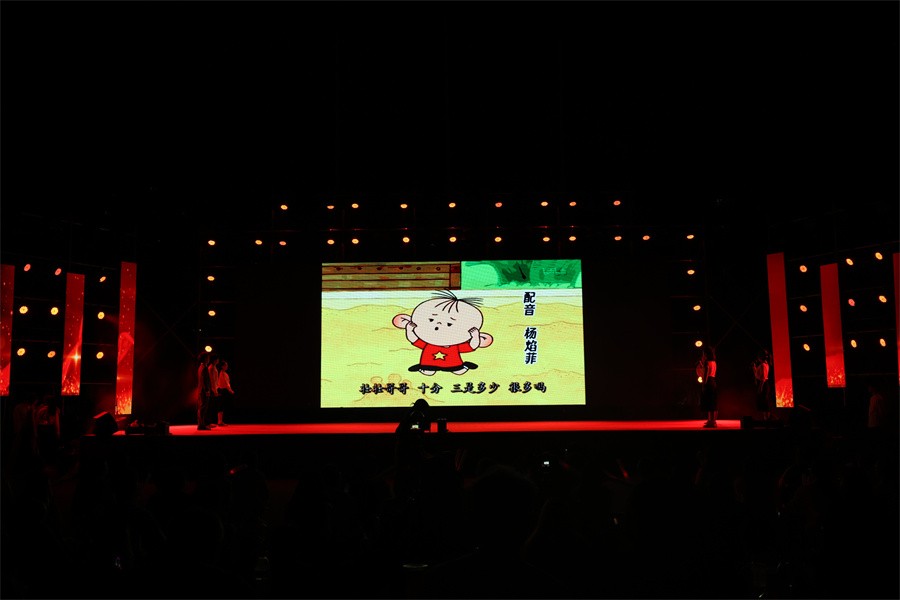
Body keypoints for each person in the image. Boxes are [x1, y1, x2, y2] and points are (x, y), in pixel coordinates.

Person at [699, 345, 718, 428]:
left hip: (708, 382)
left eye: (704, 353)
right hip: (713, 381)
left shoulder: (707, 362)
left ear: (706, 354)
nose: (703, 355)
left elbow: (706, 374)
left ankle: (711, 422)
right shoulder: (714, 362)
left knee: (709, 402)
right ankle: (712, 420)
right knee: (712, 402)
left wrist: (704, 384)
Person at [197, 351, 215, 430]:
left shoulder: (201, 367)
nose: (209, 359)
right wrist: (207, 390)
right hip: (204, 391)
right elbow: (204, 380)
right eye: (207, 358)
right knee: (203, 408)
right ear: (204, 359)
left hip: (202, 390)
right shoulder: (204, 368)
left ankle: (202, 424)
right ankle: (201, 425)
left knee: (202, 407)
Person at [753, 349, 772, 420]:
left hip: (763, 384)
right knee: (764, 403)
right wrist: (754, 368)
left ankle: (767, 419)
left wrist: (760, 387)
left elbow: (763, 378)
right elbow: (758, 375)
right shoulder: (763, 364)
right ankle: (765, 418)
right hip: (763, 384)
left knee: (765, 403)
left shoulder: (763, 365)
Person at [215, 359, 235, 427]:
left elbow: (227, 383)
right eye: (225, 365)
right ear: (222, 366)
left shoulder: (224, 373)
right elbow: (226, 384)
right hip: (222, 390)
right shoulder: (222, 373)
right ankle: (219, 421)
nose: (227, 366)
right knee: (220, 405)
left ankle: (220, 421)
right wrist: (230, 390)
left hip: (223, 390)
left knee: (222, 405)